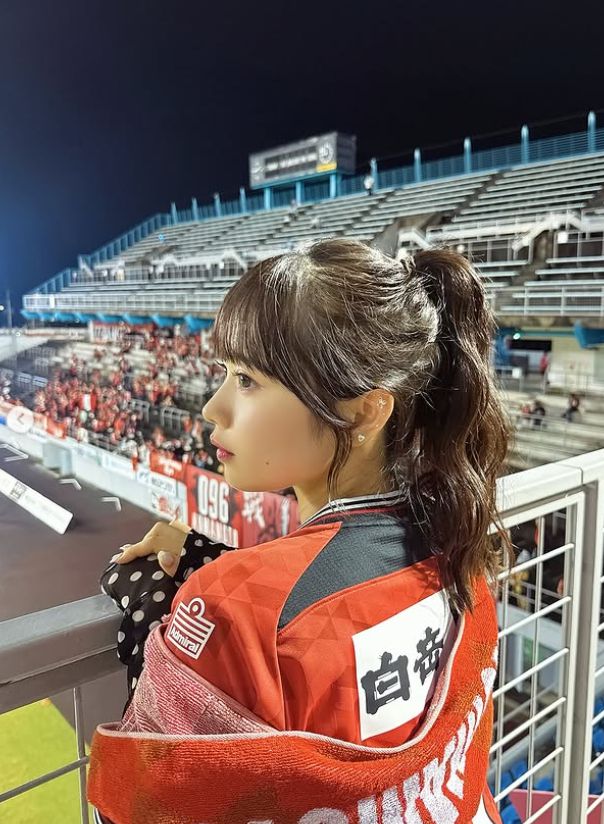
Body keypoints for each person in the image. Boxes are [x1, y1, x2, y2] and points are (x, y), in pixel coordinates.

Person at [88, 240, 511, 824]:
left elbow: (146, 804)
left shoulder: (235, 604)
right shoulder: (454, 543)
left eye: (247, 380)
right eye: (224, 374)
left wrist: (155, 624)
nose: (213, 408)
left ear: (364, 411)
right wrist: (210, 561)